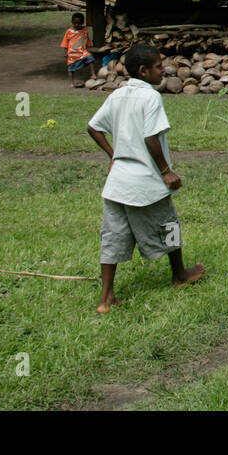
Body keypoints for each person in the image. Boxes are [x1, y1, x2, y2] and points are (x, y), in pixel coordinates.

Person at [86, 43, 205, 313]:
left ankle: (105, 298)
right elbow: (150, 136)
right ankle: (180, 275)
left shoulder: (117, 95)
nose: (164, 71)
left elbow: (93, 128)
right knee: (170, 225)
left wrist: (113, 156)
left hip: (117, 183)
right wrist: (166, 171)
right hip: (145, 182)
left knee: (112, 237)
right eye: (158, 67)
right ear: (143, 71)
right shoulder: (151, 97)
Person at [61, 12, 97, 87]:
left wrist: (88, 47)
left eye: (79, 23)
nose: (77, 25)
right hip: (72, 52)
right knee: (70, 68)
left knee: (90, 58)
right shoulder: (69, 31)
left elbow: (87, 40)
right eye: (75, 23)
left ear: (82, 22)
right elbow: (65, 42)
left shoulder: (84, 30)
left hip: (82, 51)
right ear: (72, 22)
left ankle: (93, 74)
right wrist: (65, 52)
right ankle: (71, 82)